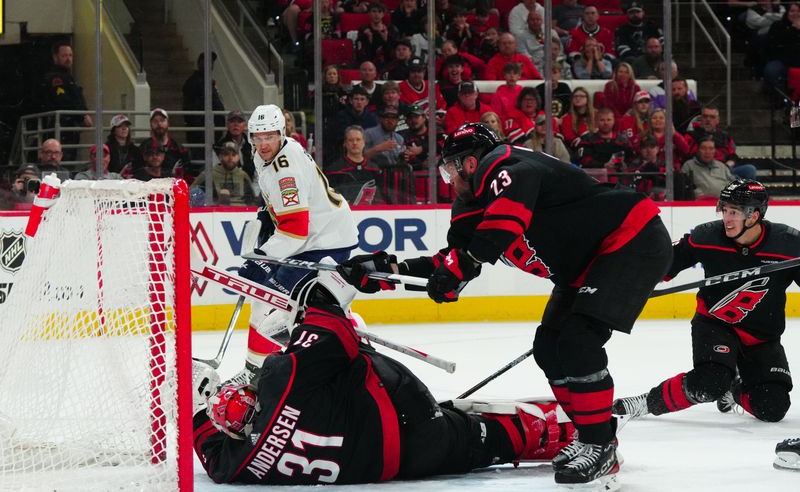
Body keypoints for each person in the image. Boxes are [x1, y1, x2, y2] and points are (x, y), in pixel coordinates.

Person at [337, 122, 673, 488]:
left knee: (578, 342)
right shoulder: (472, 204)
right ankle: (591, 435)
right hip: (585, 265)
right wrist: (387, 271)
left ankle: (599, 443)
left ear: (470, 162)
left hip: (629, 239)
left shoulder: (505, 163)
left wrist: (464, 262)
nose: (449, 178)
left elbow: (499, 228)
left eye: (451, 168)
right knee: (550, 347)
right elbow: (452, 265)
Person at [191, 271, 577, 485]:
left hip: (392, 462)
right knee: (474, 434)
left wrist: (195, 409)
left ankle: (510, 434)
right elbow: (332, 319)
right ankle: (573, 430)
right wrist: (311, 305)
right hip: (405, 414)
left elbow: (212, 455)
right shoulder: (279, 378)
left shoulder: (240, 463)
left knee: (466, 442)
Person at [614, 179, 799, 426]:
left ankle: (733, 388)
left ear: (754, 216)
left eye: (734, 212)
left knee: (772, 408)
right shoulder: (706, 236)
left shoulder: (788, 245)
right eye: (724, 210)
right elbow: (663, 263)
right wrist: (630, 282)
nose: (727, 218)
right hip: (716, 325)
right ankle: (645, 402)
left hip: (761, 336)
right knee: (709, 382)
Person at [229, 104, 359, 386]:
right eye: (258, 137)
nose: (263, 144)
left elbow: (295, 230)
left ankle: (346, 329)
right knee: (267, 302)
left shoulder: (287, 169)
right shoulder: (263, 153)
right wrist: (267, 213)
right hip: (313, 236)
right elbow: (280, 202)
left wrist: (262, 259)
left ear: (282, 133)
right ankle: (256, 372)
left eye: (269, 136)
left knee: (276, 307)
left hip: (325, 240)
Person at [34, 40, 92, 155]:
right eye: (64, 55)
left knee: (70, 157)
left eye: (70, 55)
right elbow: (62, 100)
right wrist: (82, 115)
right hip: (61, 126)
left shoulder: (68, 77)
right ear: (55, 57)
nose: (68, 59)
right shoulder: (55, 78)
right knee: (61, 157)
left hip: (70, 127)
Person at [688, 105, 757, 180]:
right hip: (702, 170)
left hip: (724, 169)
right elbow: (690, 154)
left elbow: (732, 155)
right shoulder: (692, 135)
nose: (708, 119)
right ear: (701, 118)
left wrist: (728, 165)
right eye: (705, 116)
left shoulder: (724, 136)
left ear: (718, 120)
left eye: (712, 117)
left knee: (750, 170)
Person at [326, 125, 385, 205]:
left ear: (364, 142)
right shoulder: (334, 171)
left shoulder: (375, 170)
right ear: (345, 143)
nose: (355, 143)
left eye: (358, 139)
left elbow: (380, 199)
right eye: (350, 140)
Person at [190, 142, 257, 206]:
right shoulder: (209, 175)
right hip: (214, 213)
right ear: (220, 156)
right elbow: (191, 193)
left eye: (233, 155)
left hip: (242, 212)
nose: (230, 158)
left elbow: (251, 201)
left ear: (238, 157)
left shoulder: (243, 175)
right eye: (226, 154)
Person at [132, 108, 192, 178]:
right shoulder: (143, 148)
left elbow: (188, 174)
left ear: (168, 123)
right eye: (155, 121)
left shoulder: (179, 149)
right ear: (151, 124)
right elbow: (136, 172)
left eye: (162, 120)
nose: (159, 124)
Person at [182, 52, 225, 145]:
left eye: (211, 63)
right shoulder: (194, 82)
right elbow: (191, 108)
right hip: (201, 131)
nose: (209, 65)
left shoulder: (207, 82)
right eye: (206, 62)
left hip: (210, 130)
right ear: (199, 63)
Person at [357, 1, 399, 72]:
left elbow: (394, 54)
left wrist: (386, 40)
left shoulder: (391, 30)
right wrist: (369, 40)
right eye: (374, 11)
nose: (377, 14)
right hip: (369, 64)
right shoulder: (364, 30)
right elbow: (362, 55)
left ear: (383, 14)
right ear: (369, 13)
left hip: (388, 64)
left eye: (379, 12)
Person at [215, 110, 256, 181]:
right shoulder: (218, 147)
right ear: (227, 125)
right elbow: (216, 172)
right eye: (232, 121)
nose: (236, 124)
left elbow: (257, 174)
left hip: (250, 187)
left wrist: (253, 191)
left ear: (245, 125)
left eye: (239, 121)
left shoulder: (253, 147)